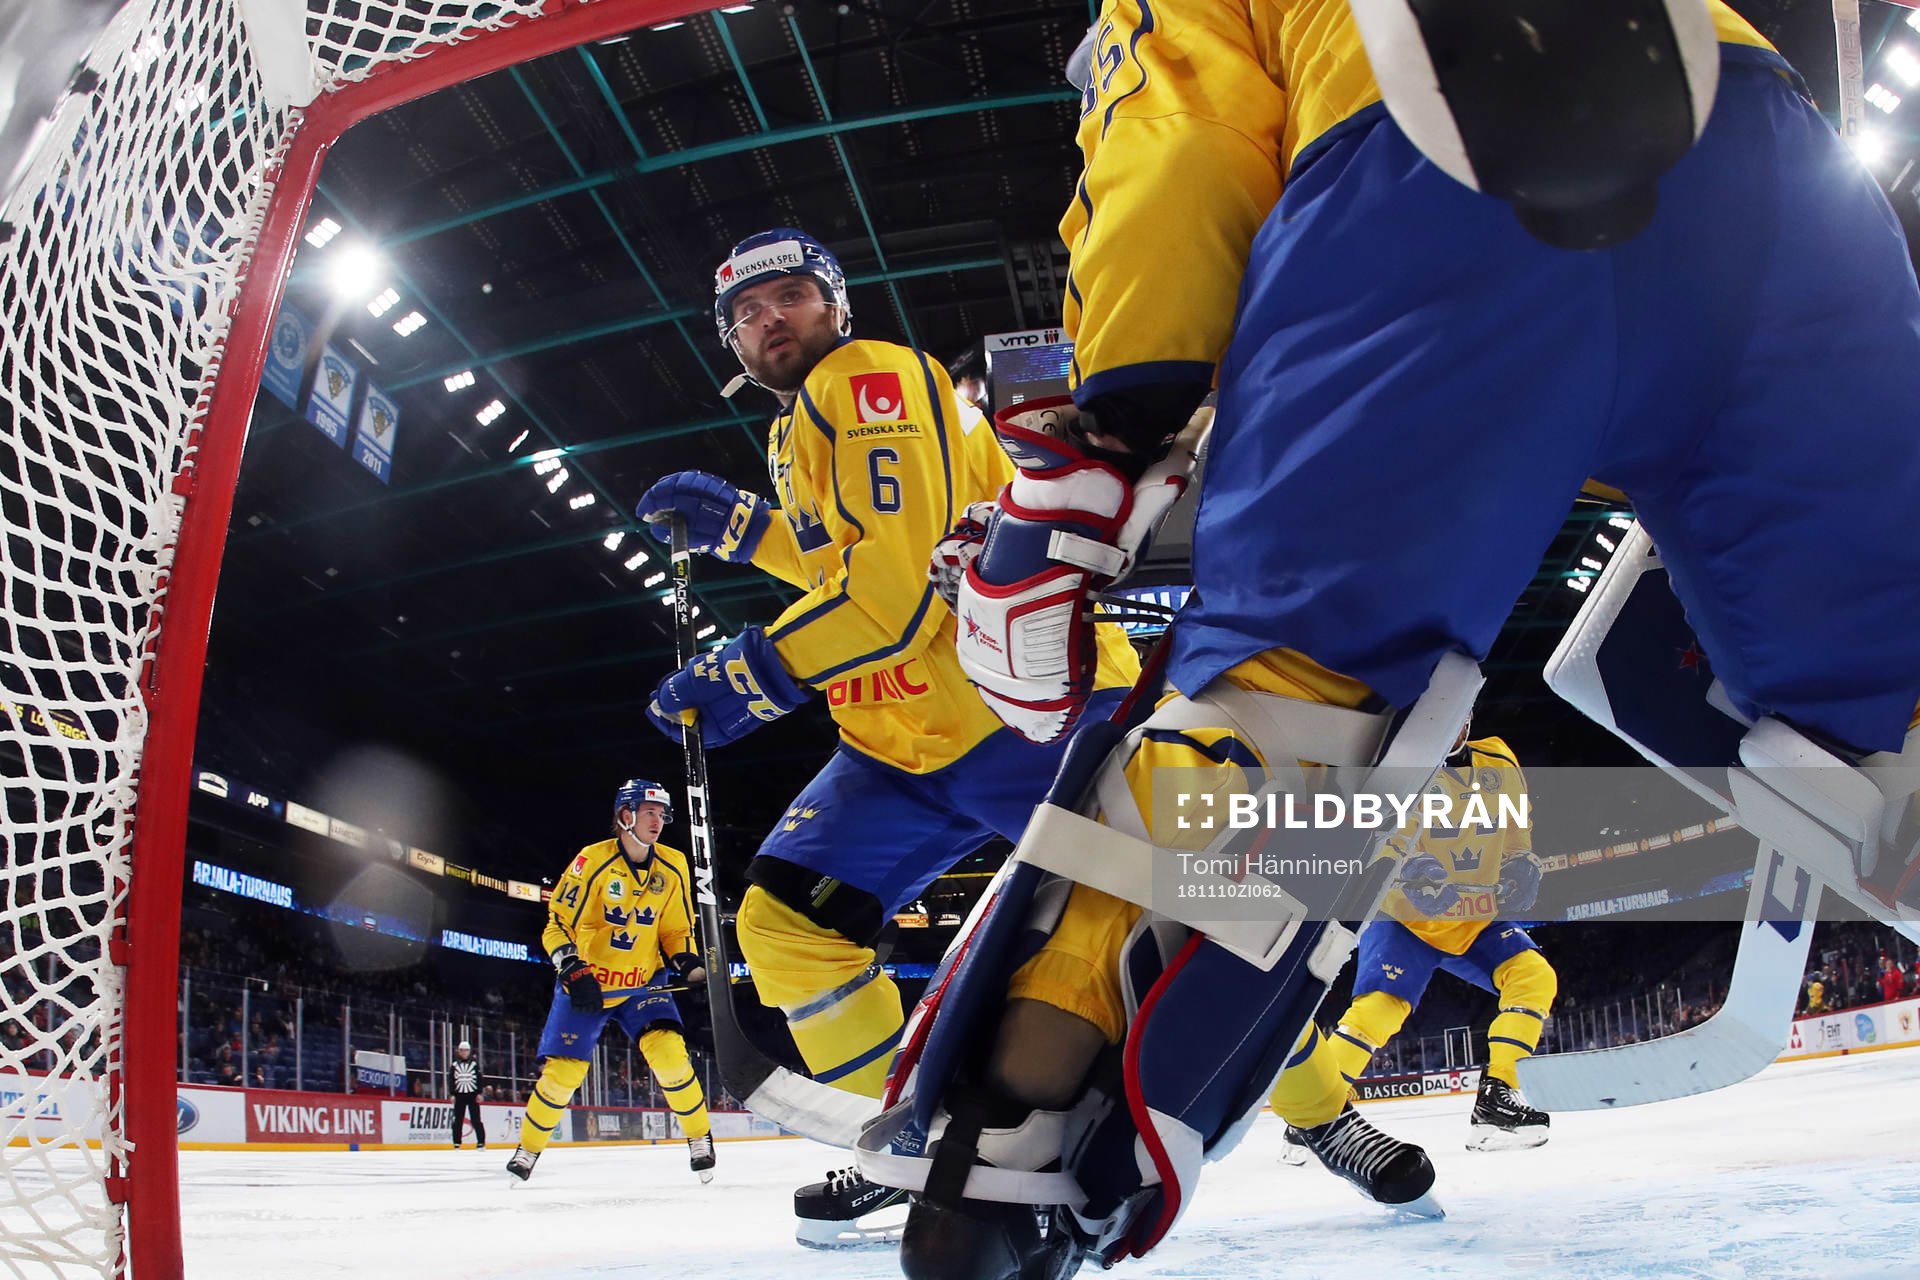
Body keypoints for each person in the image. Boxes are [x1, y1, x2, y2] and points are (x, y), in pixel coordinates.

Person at [872, 2, 1920, 1275]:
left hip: (1432, 154)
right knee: (1895, 722)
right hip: (1771, 167)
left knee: (1274, 728)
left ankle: (1009, 1171)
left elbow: (1179, 127)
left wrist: (1111, 426)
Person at [633, 227, 1141, 1246]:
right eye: (745, 311)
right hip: (896, 742)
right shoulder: (793, 427)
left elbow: (896, 593)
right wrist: (742, 525)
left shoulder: (864, 379)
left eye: (790, 295)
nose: (768, 318)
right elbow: (844, 562)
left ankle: (1318, 1103)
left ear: (838, 306)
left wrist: (750, 675)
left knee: (1180, 919)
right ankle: (922, 1134)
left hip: (1021, 717)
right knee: (783, 931)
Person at [1309, 727, 1556, 1151]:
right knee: (1378, 1010)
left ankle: (1499, 1098)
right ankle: (1312, 1114)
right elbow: (1381, 840)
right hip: (1406, 917)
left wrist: (1522, 863)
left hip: (1476, 918)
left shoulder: (1498, 758)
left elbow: (1517, 833)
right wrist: (1410, 868)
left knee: (1534, 976)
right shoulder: (1399, 769)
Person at [504, 779, 715, 1185]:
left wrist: (687, 964)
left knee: (671, 1056)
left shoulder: (673, 866)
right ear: (626, 815)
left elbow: (675, 931)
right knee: (563, 1074)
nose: (659, 821)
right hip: (588, 985)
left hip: (642, 986)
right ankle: (527, 1150)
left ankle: (699, 1139)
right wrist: (572, 968)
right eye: (649, 812)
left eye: (662, 814)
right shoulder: (592, 861)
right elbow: (556, 925)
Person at [450, 1040, 484, 1150]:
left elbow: (479, 1079)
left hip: (472, 1094)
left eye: (466, 1050)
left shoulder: (474, 1064)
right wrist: (452, 1094)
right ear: (459, 1051)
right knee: (458, 1120)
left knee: (476, 1119)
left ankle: (481, 1142)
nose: (464, 1052)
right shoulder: (454, 1065)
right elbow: (451, 1080)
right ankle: (457, 1142)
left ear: (469, 1051)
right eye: (462, 1050)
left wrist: (479, 1092)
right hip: (459, 1094)